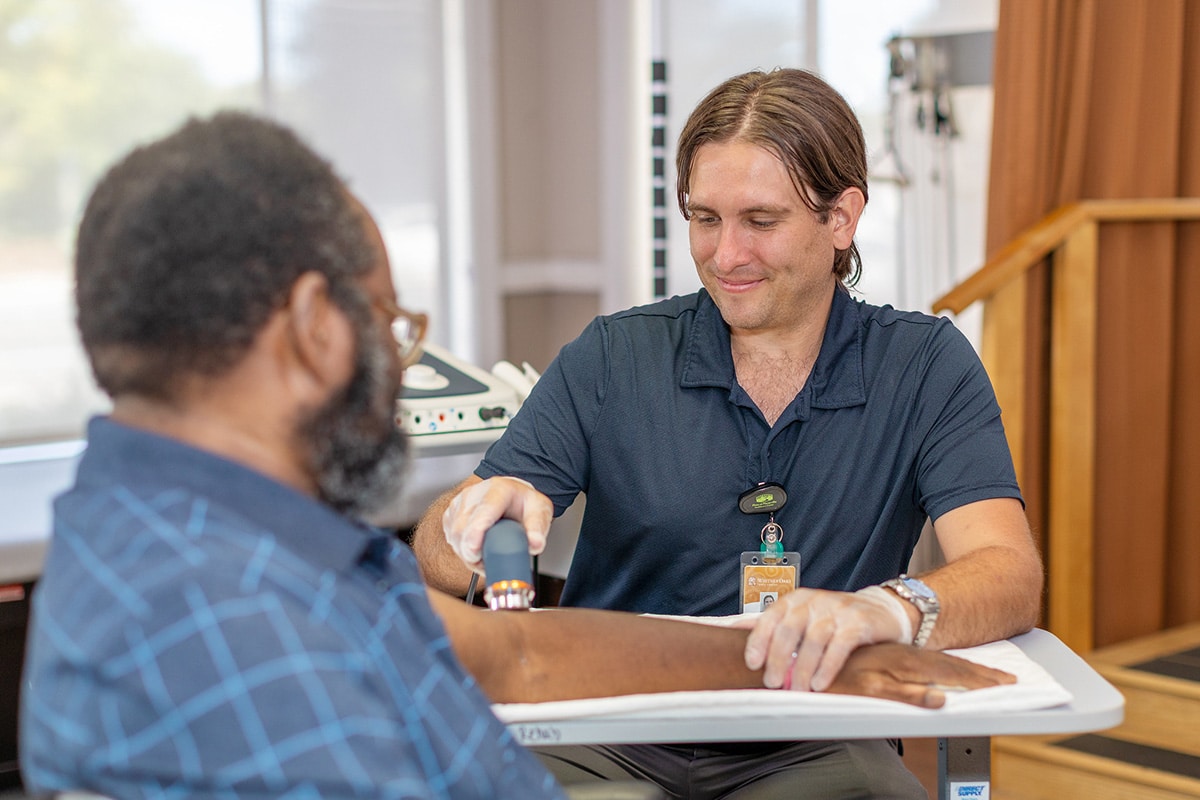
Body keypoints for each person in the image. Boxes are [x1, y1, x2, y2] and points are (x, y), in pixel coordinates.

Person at [18, 111, 1013, 800]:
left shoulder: (232, 541)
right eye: (392, 324)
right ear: (317, 326)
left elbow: (518, 649)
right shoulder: (236, 632)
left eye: (760, 219)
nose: (398, 359)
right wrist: (467, 524)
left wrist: (799, 656)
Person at [412, 68, 1045, 798]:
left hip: (814, 735)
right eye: (705, 218)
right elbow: (439, 554)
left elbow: (1008, 571)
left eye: (761, 221)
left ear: (842, 218)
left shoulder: (925, 365)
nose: (725, 254)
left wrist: (885, 608)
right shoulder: (614, 356)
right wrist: (466, 532)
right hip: (604, 725)